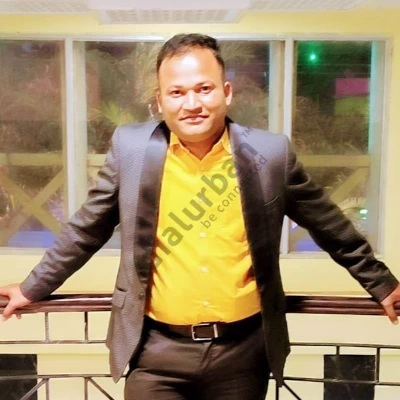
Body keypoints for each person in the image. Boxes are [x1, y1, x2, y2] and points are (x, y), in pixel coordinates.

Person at [1, 33, 399, 400]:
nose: (191, 104)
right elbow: (87, 228)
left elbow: (329, 225)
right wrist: (33, 288)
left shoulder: (269, 155)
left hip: (242, 354)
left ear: (226, 92)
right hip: (155, 351)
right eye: (176, 92)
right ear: (160, 100)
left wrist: (381, 284)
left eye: (204, 89)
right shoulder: (131, 149)